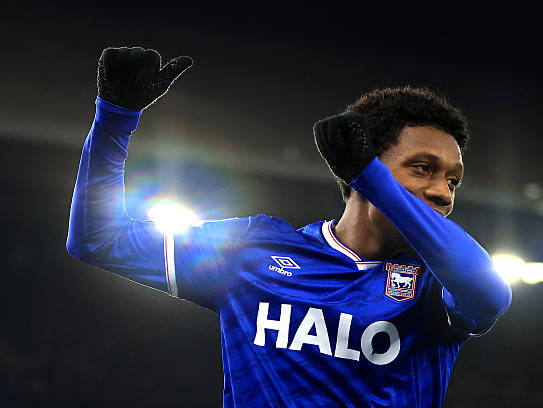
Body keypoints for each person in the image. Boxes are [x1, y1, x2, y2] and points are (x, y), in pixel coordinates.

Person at [67, 46, 512, 408]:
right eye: (423, 168)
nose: (443, 192)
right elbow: (98, 240)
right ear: (364, 160)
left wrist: (372, 178)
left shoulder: (436, 282)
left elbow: (491, 293)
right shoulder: (252, 250)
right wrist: (115, 120)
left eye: (453, 180)